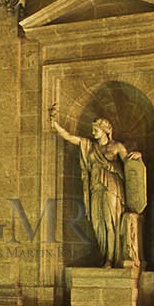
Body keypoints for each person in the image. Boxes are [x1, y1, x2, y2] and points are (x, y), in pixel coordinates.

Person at [47, 102, 142, 269]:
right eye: (92, 130)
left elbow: (130, 166)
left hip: (112, 187)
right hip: (95, 187)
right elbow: (69, 137)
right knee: (97, 224)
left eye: (95, 130)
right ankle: (105, 254)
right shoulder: (89, 145)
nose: (93, 132)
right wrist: (54, 123)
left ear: (105, 130)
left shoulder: (117, 146)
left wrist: (138, 155)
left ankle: (111, 259)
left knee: (110, 222)